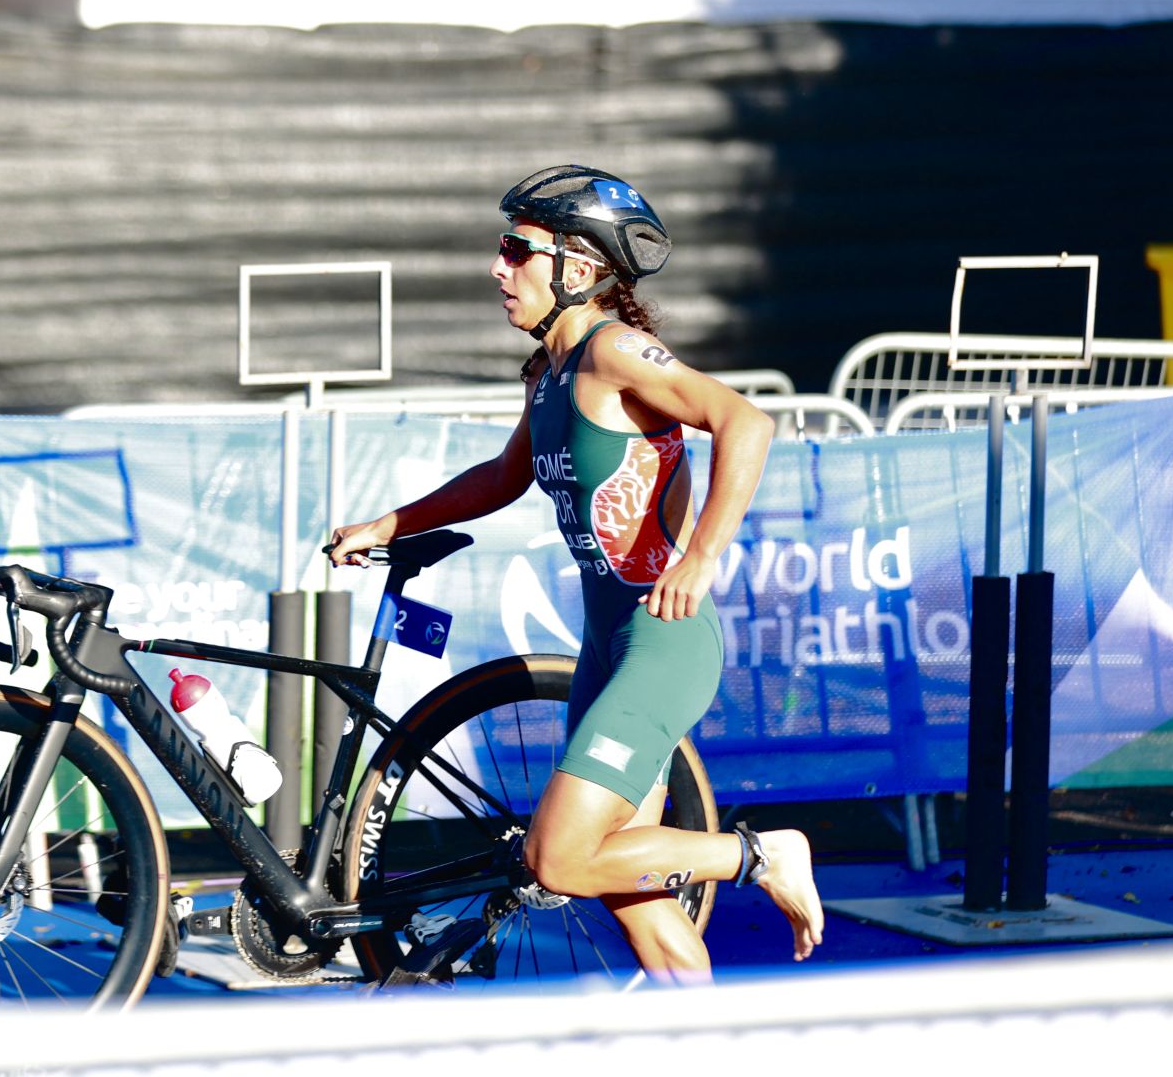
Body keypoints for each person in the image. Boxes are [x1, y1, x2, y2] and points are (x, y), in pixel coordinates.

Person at [328, 165, 825, 982]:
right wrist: (386, 524)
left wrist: (700, 557)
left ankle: (763, 853)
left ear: (580, 268)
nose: (498, 268)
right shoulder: (552, 374)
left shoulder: (615, 351)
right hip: (609, 645)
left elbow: (747, 422)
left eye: (516, 250)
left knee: (556, 860)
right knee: (632, 888)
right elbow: (500, 478)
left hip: (663, 645)